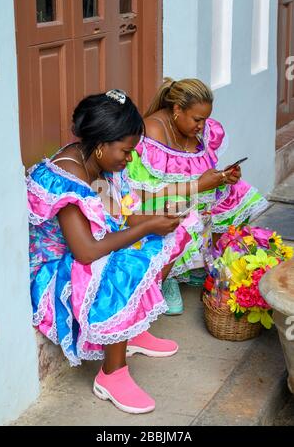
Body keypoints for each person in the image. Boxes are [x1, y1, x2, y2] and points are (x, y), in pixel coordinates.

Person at [26, 89, 202, 414]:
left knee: (182, 224)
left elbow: (124, 216)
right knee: (121, 261)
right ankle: (111, 373)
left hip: (88, 254)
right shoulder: (68, 180)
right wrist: (147, 228)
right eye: (126, 150)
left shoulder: (102, 166)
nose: (130, 158)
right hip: (56, 272)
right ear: (101, 143)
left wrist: (162, 218)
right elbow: (87, 252)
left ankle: (132, 330)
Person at [127, 78, 268, 315]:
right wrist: (197, 185)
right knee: (184, 211)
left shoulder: (196, 127)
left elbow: (197, 170)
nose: (202, 126)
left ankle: (195, 266)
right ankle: (169, 276)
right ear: (177, 109)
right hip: (155, 202)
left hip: (191, 191)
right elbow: (145, 193)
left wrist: (224, 176)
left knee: (235, 192)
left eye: (205, 119)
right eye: (197, 119)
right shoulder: (150, 133)